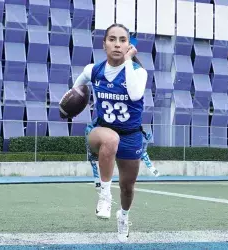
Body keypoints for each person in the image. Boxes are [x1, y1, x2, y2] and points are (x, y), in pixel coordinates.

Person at [72, 23, 148, 243]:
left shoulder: (138, 72)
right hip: (102, 131)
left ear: (129, 45)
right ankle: (104, 195)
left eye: (122, 40)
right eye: (112, 39)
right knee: (110, 138)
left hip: (131, 135)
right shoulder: (92, 70)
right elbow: (76, 90)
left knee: (127, 187)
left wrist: (127, 62)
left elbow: (134, 95)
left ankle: (123, 215)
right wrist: (69, 106)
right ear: (103, 43)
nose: (117, 44)